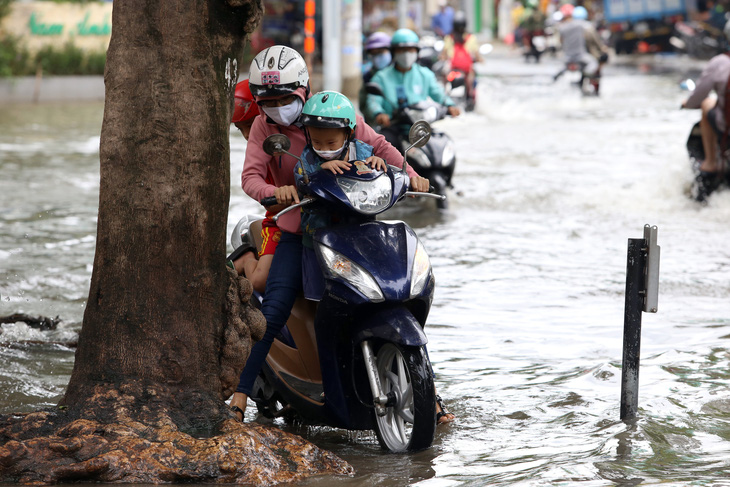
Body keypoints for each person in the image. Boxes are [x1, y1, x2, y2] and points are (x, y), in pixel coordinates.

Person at [228, 45, 431, 421]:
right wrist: (275, 192)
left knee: (396, 295)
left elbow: (380, 146)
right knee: (272, 311)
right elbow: (250, 177)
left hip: (355, 225)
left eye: (285, 98)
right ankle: (240, 395)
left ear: (302, 90)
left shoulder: (334, 111)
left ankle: (430, 399)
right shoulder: (263, 126)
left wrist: (409, 173)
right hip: (299, 228)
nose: (276, 107)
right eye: (267, 100)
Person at [228, 80, 282, 294]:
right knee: (260, 281)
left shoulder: (293, 144)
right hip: (280, 218)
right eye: (241, 129)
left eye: (250, 126)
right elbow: (251, 181)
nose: (248, 136)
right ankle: (247, 259)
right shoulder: (259, 159)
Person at [366, 28, 460, 148]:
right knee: (385, 149)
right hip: (394, 126)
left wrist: (450, 105)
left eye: (410, 49)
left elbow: (438, 93)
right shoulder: (381, 77)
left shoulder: (425, 74)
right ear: (394, 52)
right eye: (402, 50)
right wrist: (379, 113)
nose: (406, 54)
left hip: (419, 127)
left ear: (417, 51)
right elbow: (373, 100)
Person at [682, 22, 730, 180]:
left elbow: (699, 96)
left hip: (725, 128)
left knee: (706, 103)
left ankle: (710, 162)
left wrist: (687, 104)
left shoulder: (720, 63)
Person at [441, 11, 483, 110]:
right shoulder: (471, 38)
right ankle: (470, 98)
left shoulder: (449, 37)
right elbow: (477, 55)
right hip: (466, 70)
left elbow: (443, 55)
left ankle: (443, 97)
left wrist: (442, 58)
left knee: (443, 78)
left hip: (452, 68)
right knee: (472, 81)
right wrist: (480, 60)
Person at [557, 4, 599, 81]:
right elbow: (594, 40)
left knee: (560, 68)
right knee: (594, 63)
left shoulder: (562, 27)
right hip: (580, 56)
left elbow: (560, 42)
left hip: (567, 57)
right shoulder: (584, 25)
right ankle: (587, 74)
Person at [360, 32, 393, 124]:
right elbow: (369, 102)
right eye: (373, 54)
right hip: (381, 124)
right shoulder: (370, 77)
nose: (377, 57)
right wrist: (377, 114)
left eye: (380, 52)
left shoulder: (399, 71)